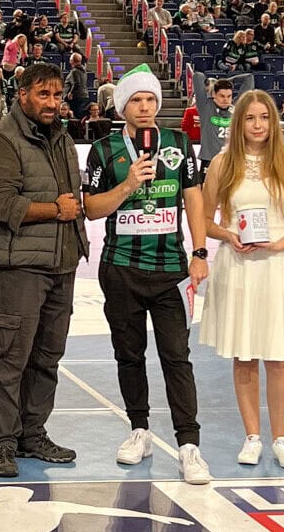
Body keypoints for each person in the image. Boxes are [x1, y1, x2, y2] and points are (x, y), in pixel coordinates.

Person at [81, 66, 211, 483]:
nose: (144, 107)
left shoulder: (177, 143)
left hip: (171, 270)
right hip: (121, 268)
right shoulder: (103, 149)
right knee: (129, 356)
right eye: (136, 100)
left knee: (177, 357)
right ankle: (139, 430)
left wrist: (200, 251)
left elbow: (193, 197)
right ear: (123, 106)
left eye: (150, 100)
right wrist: (128, 186)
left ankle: (189, 445)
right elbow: (92, 208)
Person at [0, 63, 88, 477]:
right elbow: (1, 205)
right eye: (43, 95)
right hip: (18, 268)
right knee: (10, 358)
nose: (52, 103)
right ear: (22, 94)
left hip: (62, 263)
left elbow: (75, 199)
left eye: (58, 96)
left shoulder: (61, 138)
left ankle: (32, 433)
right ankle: (1, 443)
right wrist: (56, 211)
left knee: (47, 357)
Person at [199, 89, 284, 468]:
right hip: (238, 266)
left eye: (264, 118)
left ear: (273, 121)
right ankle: (252, 436)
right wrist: (228, 235)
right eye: (250, 118)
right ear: (239, 123)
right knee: (244, 356)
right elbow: (202, 220)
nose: (257, 125)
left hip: (279, 266)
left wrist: (280, 243)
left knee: (279, 357)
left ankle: (281, 438)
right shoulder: (222, 163)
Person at [194, 77, 235, 177]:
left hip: (230, 159)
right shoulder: (206, 106)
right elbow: (197, 77)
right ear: (214, 95)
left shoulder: (236, 108)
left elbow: (249, 78)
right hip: (209, 159)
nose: (226, 100)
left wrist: (229, 79)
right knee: (206, 191)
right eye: (222, 96)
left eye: (229, 96)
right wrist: (215, 82)